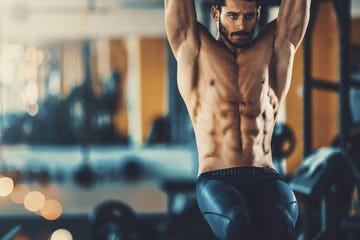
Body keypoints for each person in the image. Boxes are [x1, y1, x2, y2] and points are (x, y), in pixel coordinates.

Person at [164, 0, 310, 239]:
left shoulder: (273, 48)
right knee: (238, 226)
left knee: (283, 227)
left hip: (265, 175)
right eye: (232, 16)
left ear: (258, 14)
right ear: (215, 13)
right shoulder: (195, 47)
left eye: (249, 16)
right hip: (217, 178)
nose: (241, 24)